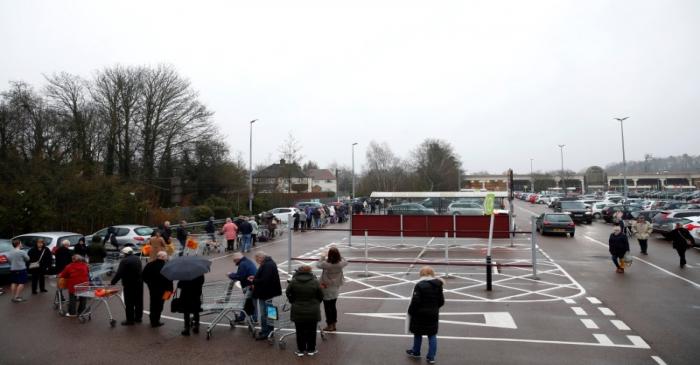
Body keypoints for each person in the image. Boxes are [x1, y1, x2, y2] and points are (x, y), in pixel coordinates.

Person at [406, 266, 445, 364]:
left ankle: (416, 351)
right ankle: (431, 357)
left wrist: (410, 311)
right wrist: (434, 308)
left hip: (420, 314)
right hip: (433, 314)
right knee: (432, 334)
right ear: (432, 274)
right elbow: (441, 301)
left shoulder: (419, 285)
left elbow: (416, 301)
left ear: (421, 274)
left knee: (418, 333)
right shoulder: (438, 285)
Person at [285, 265, 323, 357]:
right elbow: (321, 295)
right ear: (310, 271)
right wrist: (316, 302)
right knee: (312, 331)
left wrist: (292, 300)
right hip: (313, 310)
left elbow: (288, 292)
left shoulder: (294, 281)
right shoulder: (315, 281)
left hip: (298, 309)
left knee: (300, 331)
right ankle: (311, 349)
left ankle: (301, 350)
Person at [248, 251, 282, 340]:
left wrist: (254, 281)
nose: (257, 262)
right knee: (271, 311)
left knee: (264, 313)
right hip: (270, 292)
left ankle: (265, 332)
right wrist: (255, 278)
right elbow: (266, 277)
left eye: (257, 260)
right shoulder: (270, 263)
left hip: (265, 292)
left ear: (260, 258)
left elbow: (264, 280)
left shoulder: (267, 265)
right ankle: (271, 330)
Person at [316, 246, 348, 332]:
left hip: (326, 287)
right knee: (333, 306)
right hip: (335, 287)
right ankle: (334, 324)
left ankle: (329, 325)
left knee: (327, 307)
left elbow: (318, 264)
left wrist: (323, 256)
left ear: (329, 255)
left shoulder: (326, 265)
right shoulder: (340, 264)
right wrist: (339, 256)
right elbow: (346, 261)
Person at [111, 247, 143, 325]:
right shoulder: (137, 258)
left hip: (129, 284)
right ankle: (138, 318)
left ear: (125, 253)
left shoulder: (124, 261)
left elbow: (119, 273)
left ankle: (130, 320)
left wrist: (113, 282)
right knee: (139, 301)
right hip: (139, 283)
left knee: (129, 303)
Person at [142, 251, 173, 327]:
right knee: (160, 305)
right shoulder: (166, 266)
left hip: (153, 289)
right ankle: (156, 320)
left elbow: (143, 276)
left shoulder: (150, 264)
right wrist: (170, 290)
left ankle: (153, 319)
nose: (166, 257)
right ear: (162, 257)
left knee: (153, 304)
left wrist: (149, 284)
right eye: (166, 256)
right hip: (165, 290)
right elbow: (170, 279)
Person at [227, 252, 257, 322]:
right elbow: (241, 274)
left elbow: (240, 276)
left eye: (234, 260)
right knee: (248, 302)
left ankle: (251, 318)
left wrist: (230, 275)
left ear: (237, 259)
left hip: (249, 285)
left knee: (248, 302)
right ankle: (245, 317)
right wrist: (233, 274)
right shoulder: (247, 261)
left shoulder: (243, 264)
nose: (234, 262)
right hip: (252, 284)